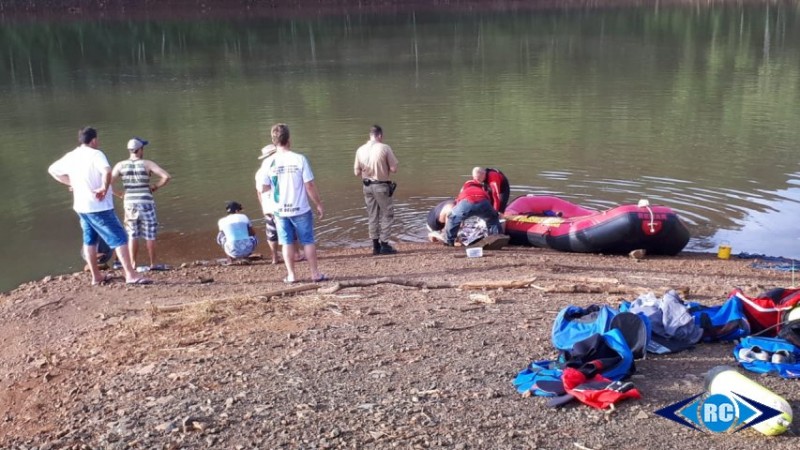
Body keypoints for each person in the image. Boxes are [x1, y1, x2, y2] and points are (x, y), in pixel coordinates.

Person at [48, 126, 150, 285]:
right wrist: (103, 187)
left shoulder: (71, 156)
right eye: (98, 139)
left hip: (81, 207)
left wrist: (71, 183)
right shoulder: (96, 154)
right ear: (94, 140)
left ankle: (96, 277)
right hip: (98, 206)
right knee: (120, 238)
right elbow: (107, 171)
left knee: (90, 241)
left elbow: (52, 170)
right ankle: (131, 275)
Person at [262, 123, 326, 284]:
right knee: (307, 241)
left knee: (286, 242)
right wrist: (318, 203)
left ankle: (291, 275)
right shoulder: (299, 159)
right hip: (301, 209)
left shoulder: (268, 162)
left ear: (273, 140)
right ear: (289, 139)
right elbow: (309, 185)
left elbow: (264, 187)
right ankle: (315, 274)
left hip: (280, 210)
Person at [111, 137, 171, 271]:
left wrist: (120, 194)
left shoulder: (120, 165)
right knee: (150, 234)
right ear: (140, 150)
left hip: (129, 203)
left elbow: (108, 183)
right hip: (146, 202)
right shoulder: (147, 163)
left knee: (133, 234)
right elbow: (166, 176)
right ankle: (153, 264)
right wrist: (155, 186)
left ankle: (132, 265)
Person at [255, 144, 305, 265]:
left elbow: (259, 192)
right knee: (290, 230)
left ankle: (274, 257)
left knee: (271, 232)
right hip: (282, 206)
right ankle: (297, 254)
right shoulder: (283, 166)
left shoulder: (260, 171)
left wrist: (263, 207)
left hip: (268, 207)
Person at [354, 125, 399, 255]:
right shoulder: (384, 148)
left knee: (372, 215)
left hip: (367, 186)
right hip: (381, 186)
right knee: (387, 213)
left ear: (370, 136)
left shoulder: (360, 150)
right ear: (380, 136)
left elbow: (356, 172)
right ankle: (384, 244)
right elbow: (394, 169)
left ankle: (375, 246)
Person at [444, 178, 502, 247]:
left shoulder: (464, 191)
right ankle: (496, 238)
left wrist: (460, 220)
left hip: (467, 202)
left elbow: (457, 204)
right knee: (493, 219)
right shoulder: (482, 191)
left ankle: (449, 242)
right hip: (483, 202)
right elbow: (489, 202)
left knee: (453, 218)